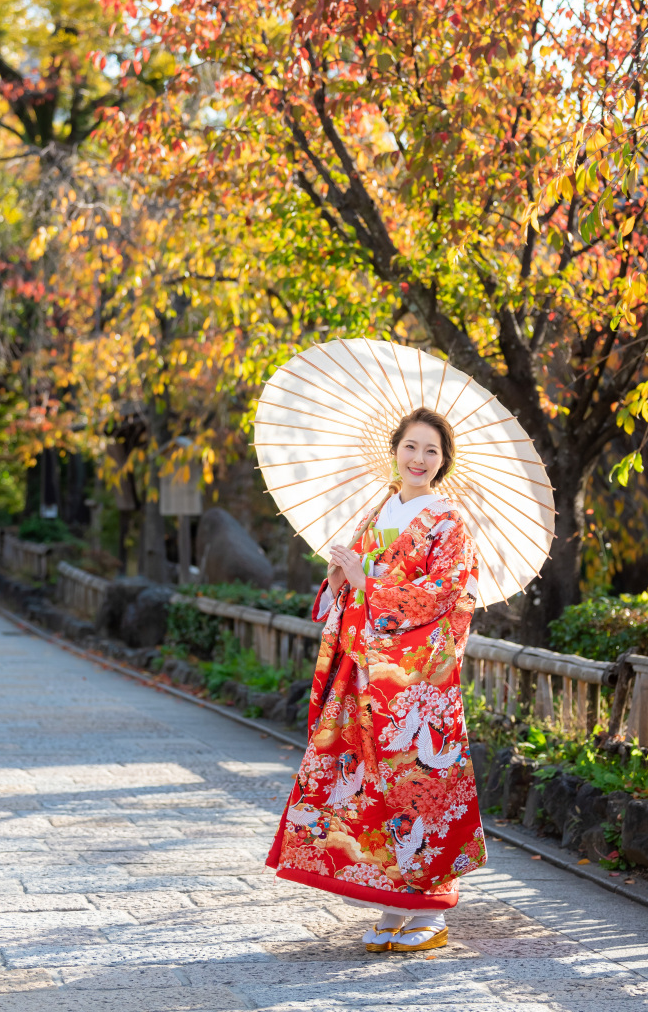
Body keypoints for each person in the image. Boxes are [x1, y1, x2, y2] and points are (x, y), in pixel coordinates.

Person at [266, 406, 485, 952]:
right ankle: (394, 905)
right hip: (365, 671)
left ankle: (431, 910)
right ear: (395, 450)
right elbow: (345, 596)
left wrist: (370, 585)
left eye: (431, 451)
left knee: (420, 786)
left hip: (416, 684)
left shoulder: (448, 522)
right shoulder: (378, 514)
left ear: (443, 461)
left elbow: (443, 597)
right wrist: (342, 580)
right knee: (368, 785)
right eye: (411, 447)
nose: (419, 459)